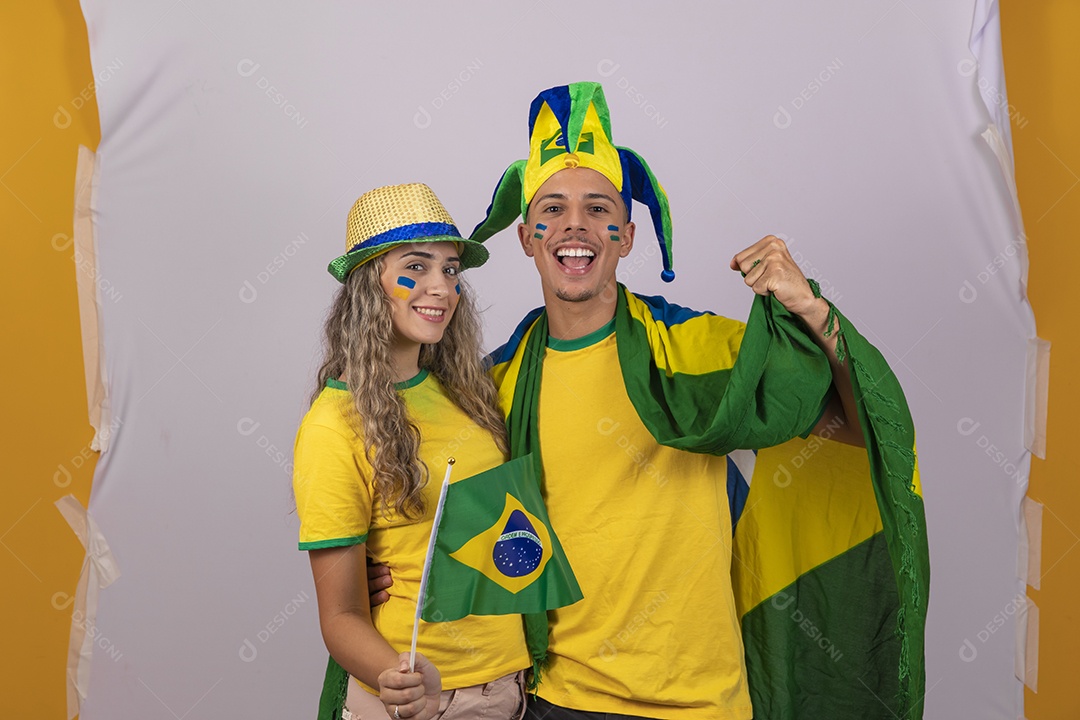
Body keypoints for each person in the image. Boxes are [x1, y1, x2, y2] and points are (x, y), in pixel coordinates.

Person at [464, 82, 930, 720]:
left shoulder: (697, 347)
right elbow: (462, 534)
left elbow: (860, 430)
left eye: (599, 209)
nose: (575, 224)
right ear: (526, 236)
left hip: (703, 705)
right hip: (556, 702)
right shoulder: (495, 384)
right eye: (554, 207)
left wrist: (811, 310)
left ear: (627, 236)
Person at [292, 183, 530, 720]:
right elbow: (342, 615)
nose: (440, 287)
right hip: (423, 701)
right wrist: (394, 678)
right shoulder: (334, 425)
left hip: (512, 688)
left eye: (450, 270)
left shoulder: (468, 392)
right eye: (416, 267)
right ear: (368, 285)